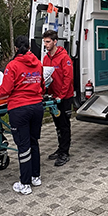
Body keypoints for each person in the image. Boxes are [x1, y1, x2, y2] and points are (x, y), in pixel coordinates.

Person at [0, 35, 45, 195]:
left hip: (20, 109)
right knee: (33, 142)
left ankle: (25, 183)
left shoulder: (13, 65)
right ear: (29, 47)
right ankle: (36, 176)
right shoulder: (38, 64)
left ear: (15, 48)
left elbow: (5, 90)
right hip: (37, 107)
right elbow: (42, 84)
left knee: (23, 146)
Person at [42, 30, 74, 167]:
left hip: (64, 97)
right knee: (57, 125)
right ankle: (60, 148)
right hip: (53, 97)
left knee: (64, 125)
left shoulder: (64, 58)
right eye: (44, 42)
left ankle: (64, 153)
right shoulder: (46, 58)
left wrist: (61, 95)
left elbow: (68, 78)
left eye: (48, 42)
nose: (46, 44)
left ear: (55, 42)